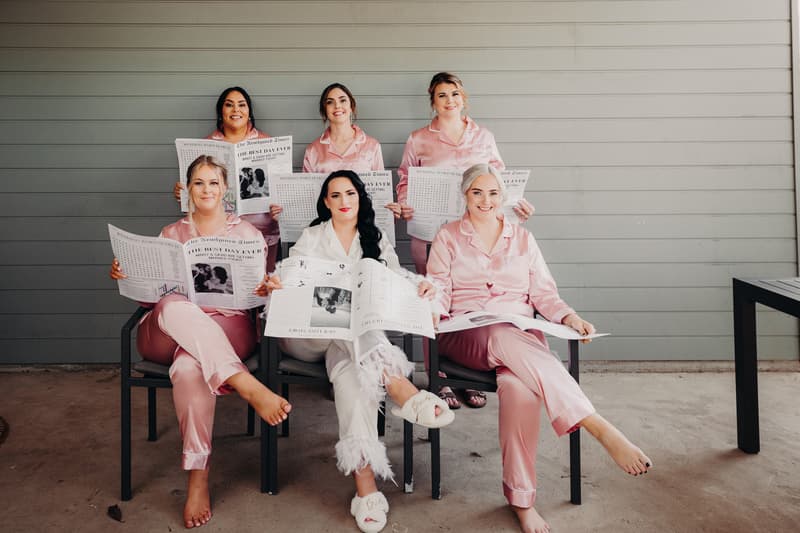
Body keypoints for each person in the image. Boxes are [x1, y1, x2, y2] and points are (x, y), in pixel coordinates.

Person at [426, 164, 652, 533]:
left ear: (504, 197)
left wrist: (570, 317)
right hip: (466, 334)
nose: (486, 200)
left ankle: (522, 500)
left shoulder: (523, 239)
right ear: (465, 196)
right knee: (498, 332)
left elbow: (543, 293)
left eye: (493, 193)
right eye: (477, 192)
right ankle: (597, 425)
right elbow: (437, 288)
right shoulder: (448, 236)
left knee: (520, 390)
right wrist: (433, 312)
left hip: (520, 337)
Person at [262, 170, 455, 533]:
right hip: (307, 337)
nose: (343, 201)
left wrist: (421, 284)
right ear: (326, 202)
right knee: (351, 330)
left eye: (349, 193)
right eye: (335, 195)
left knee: (352, 376)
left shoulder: (375, 238)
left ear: (360, 198)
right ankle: (399, 386)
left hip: (348, 346)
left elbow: (393, 278)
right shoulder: (313, 234)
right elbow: (289, 271)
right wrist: (277, 280)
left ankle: (365, 490)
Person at [113, 155, 292, 529]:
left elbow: (257, 299)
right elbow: (152, 300)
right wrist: (126, 275)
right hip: (167, 328)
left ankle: (198, 474)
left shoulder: (246, 234)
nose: (206, 189)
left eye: (213, 182)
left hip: (228, 326)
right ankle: (245, 383)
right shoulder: (170, 234)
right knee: (175, 304)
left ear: (225, 188)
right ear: (187, 189)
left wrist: (265, 289)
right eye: (198, 182)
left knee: (189, 366)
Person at [385, 71, 534, 409]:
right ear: (432, 101)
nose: (449, 100)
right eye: (442, 95)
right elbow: (405, 180)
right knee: (434, 302)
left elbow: (498, 182)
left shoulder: (483, 137)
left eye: (454, 94)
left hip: (474, 235)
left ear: (463, 98)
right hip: (430, 233)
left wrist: (515, 208)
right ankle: (439, 378)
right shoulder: (418, 139)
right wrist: (405, 203)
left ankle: (467, 375)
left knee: (468, 302)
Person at [173, 86, 280, 271]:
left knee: (263, 288)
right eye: (229, 105)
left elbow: (279, 185)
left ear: (249, 111)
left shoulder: (265, 141)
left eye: (241, 105)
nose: (236, 110)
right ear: (221, 111)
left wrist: (279, 204)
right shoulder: (205, 145)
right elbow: (195, 185)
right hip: (219, 233)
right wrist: (183, 192)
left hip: (263, 228)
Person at [269, 82, 385, 221]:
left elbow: (380, 195)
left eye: (342, 100)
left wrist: (389, 210)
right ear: (324, 110)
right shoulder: (313, 150)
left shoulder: (372, 146)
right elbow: (307, 196)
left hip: (363, 226)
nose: (337, 106)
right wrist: (284, 212)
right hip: (325, 228)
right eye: (330, 102)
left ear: (351, 106)